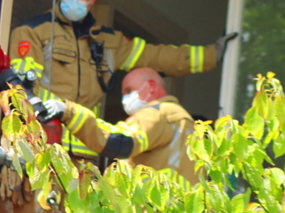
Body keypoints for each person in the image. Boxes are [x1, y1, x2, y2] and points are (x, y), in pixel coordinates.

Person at [9, 0, 235, 162]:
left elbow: (156, 56)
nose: (74, 0)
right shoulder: (33, 32)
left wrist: (210, 56)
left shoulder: (109, 41)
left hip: (85, 152)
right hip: (41, 146)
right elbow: (21, 90)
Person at [41, 67, 199, 184]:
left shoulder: (159, 113)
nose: (125, 99)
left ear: (150, 86)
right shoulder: (185, 121)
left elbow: (121, 142)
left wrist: (69, 111)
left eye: (129, 90)